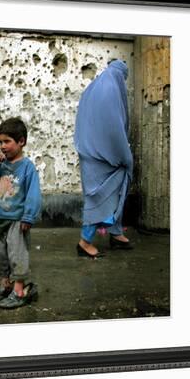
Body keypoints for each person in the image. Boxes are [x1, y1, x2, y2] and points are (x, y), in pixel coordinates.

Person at [73, 59, 134, 259]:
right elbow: (113, 129)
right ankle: (85, 242)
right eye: (122, 78)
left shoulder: (93, 88)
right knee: (97, 198)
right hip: (103, 157)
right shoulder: (110, 90)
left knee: (114, 193)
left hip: (91, 153)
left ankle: (115, 233)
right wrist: (124, 155)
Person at [0, 117, 41, 309]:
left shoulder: (27, 168)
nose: (3, 146)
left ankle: (19, 291)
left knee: (17, 255)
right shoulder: (1, 165)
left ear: (21, 141)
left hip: (17, 220)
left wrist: (28, 216)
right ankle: (5, 287)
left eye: (7, 141)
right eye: (0, 142)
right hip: (0, 219)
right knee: (1, 255)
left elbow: (33, 194)